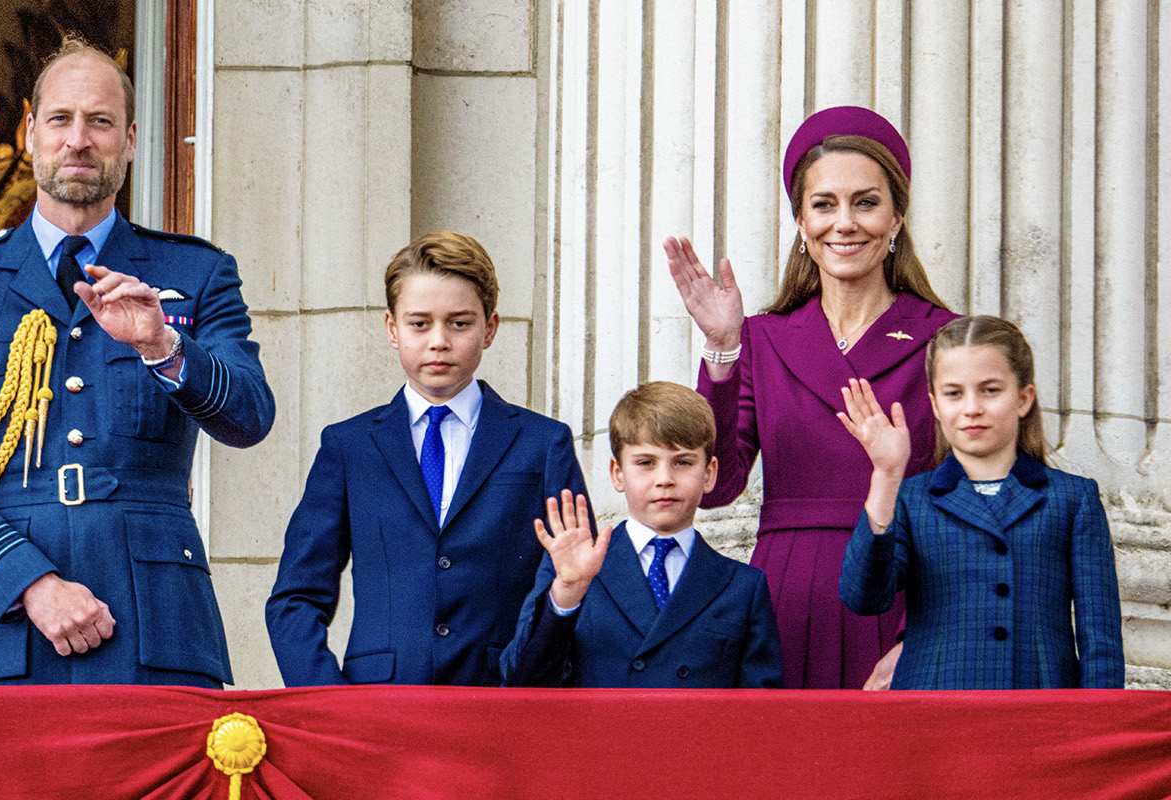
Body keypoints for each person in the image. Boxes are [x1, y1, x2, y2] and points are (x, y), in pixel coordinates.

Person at [0, 37, 275, 686]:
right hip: (4, 624)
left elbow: (250, 417)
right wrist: (30, 583)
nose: (78, 140)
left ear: (130, 140)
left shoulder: (196, 272)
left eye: (100, 121)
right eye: (60, 119)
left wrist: (162, 346)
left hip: (157, 620)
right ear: (29, 133)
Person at [665, 105, 958, 689]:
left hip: (903, 595)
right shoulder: (761, 339)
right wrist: (722, 348)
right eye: (824, 205)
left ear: (897, 217)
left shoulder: (945, 339)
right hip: (785, 600)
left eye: (866, 203)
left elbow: (964, 507)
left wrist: (923, 636)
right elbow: (717, 487)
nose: (844, 223)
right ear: (801, 221)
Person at [265, 231, 590, 686]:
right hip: (379, 705)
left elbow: (568, 579)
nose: (439, 341)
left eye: (459, 323)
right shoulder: (349, 446)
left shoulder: (543, 443)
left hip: (500, 698)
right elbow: (295, 598)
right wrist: (330, 703)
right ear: (392, 328)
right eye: (419, 324)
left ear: (490, 328)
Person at [838, 316, 1124, 688]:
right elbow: (863, 597)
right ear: (935, 405)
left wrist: (1099, 719)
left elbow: (1100, 638)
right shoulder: (910, 498)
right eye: (954, 393)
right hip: (934, 706)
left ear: (1023, 399)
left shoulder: (1072, 498)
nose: (971, 407)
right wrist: (886, 476)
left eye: (990, 390)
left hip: (1039, 704)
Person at [502, 381, 783, 688]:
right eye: (646, 463)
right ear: (617, 473)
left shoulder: (743, 586)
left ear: (709, 473)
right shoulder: (575, 570)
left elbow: (760, 706)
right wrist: (566, 595)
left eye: (683, 462)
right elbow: (521, 682)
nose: (665, 479)